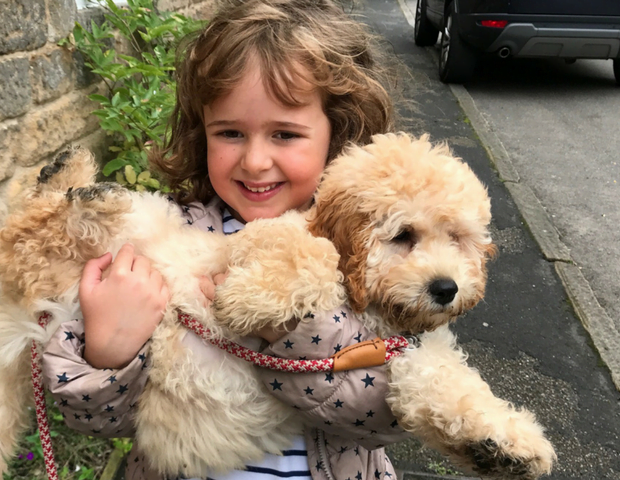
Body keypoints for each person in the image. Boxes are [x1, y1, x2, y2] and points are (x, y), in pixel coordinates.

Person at [42, 0, 409, 478]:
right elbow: (96, 422)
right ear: (202, 134)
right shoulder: (168, 241)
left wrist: (291, 334)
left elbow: (389, 416)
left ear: (339, 133)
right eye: (231, 132)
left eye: (285, 134)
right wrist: (109, 352)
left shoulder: (376, 248)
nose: (255, 161)